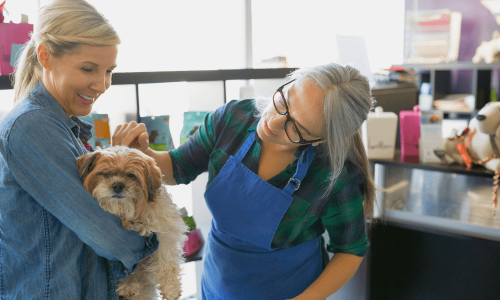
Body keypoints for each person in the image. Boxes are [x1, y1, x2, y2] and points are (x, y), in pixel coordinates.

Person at [114, 62, 376, 299]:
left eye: (295, 128)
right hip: (218, 282)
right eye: (283, 101)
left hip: (286, 290)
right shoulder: (233, 119)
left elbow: (349, 250)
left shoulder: (334, 174)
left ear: (320, 140)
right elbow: (177, 167)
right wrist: (143, 155)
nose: (273, 121)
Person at [0, 1, 158, 299]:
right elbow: (112, 239)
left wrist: (124, 159)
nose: (102, 84)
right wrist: (154, 246)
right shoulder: (32, 126)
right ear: (45, 56)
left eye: (109, 70)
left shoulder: (61, 124)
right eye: (88, 68)